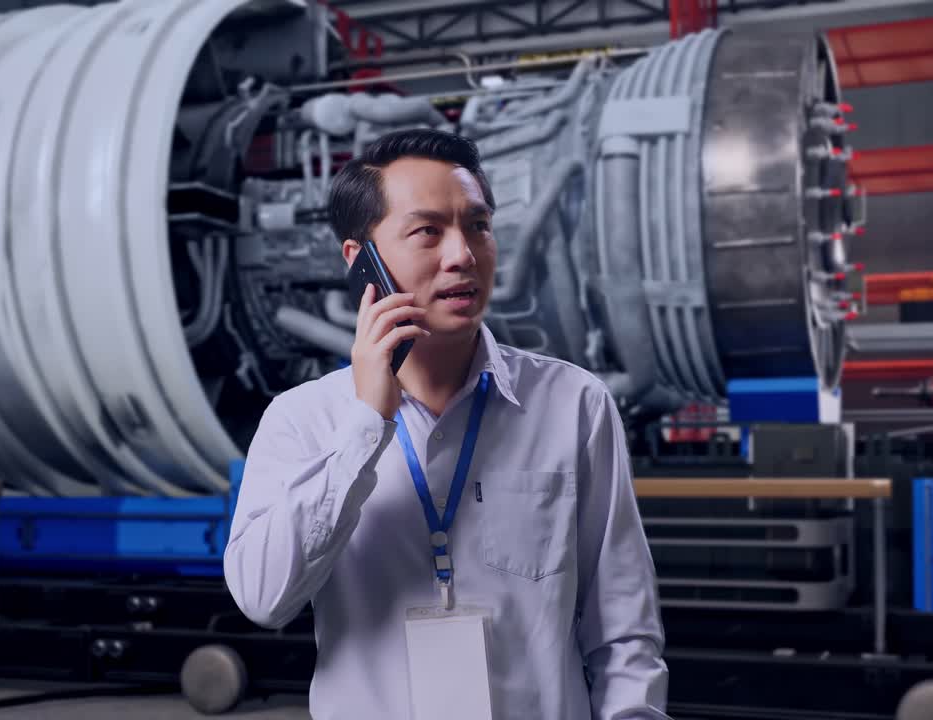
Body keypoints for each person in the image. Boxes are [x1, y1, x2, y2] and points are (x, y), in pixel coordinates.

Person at [224, 127, 669, 719]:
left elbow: (623, 626)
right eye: (428, 231)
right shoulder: (303, 419)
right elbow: (262, 598)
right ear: (361, 262)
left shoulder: (574, 405)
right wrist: (365, 424)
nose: (463, 255)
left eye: (478, 226)